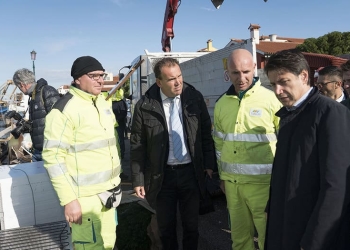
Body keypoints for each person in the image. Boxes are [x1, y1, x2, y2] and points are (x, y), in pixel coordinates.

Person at [264, 49, 350, 250]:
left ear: (304, 76)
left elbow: (336, 188)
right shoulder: (289, 114)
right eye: (273, 85)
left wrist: (314, 242)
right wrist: (272, 207)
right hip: (284, 223)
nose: (277, 91)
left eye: (283, 82)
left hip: (307, 233)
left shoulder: (331, 114)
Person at [130, 57, 216, 250]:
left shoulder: (194, 98)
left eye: (180, 76)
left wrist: (209, 165)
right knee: (166, 228)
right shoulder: (145, 105)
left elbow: (205, 134)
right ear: (159, 82)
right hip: (162, 177)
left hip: (191, 174)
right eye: (171, 79)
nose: (178, 82)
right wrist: (138, 179)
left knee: (191, 226)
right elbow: (138, 144)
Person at [42, 56, 122, 250]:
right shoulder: (63, 110)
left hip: (109, 194)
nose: (100, 80)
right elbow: (53, 159)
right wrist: (69, 200)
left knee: (109, 244)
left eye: (101, 76)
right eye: (93, 76)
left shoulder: (102, 102)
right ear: (78, 79)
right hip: (84, 199)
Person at [213, 49, 281, 250]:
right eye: (235, 73)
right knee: (240, 240)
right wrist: (222, 177)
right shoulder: (221, 104)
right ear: (228, 72)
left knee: (269, 239)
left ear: (254, 69)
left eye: (245, 71)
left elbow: (286, 143)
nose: (241, 78)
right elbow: (219, 144)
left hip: (264, 186)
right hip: (233, 187)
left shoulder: (271, 100)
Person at [12, 68, 60, 161]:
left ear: (22, 84)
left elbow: (59, 120)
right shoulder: (33, 96)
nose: (20, 90)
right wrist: (27, 126)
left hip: (49, 150)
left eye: (19, 87)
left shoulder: (46, 91)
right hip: (38, 149)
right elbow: (40, 120)